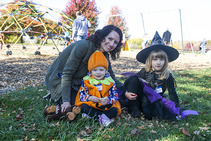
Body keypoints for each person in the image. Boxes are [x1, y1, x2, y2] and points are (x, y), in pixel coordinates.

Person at [45, 25, 123, 114]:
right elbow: (66, 74)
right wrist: (66, 101)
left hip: (80, 83)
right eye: (110, 39)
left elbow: (111, 78)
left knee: (104, 98)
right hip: (60, 81)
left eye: (115, 42)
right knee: (81, 105)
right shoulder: (83, 46)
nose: (112, 44)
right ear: (103, 36)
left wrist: (126, 89)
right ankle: (55, 96)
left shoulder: (104, 55)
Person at [121, 31, 181, 120]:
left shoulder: (167, 76)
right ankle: (134, 109)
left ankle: (147, 111)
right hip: (140, 98)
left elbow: (172, 93)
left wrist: (176, 109)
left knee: (150, 114)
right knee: (133, 78)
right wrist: (126, 92)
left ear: (165, 61)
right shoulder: (144, 72)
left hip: (153, 100)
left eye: (161, 59)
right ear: (150, 61)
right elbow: (132, 83)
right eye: (155, 59)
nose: (158, 62)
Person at [75, 51, 121, 127]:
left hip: (106, 106)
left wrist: (108, 100)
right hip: (92, 105)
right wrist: (89, 97)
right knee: (84, 106)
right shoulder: (87, 81)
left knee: (115, 110)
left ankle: (93, 117)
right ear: (91, 71)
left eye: (101, 70)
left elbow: (115, 96)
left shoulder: (110, 82)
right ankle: (104, 118)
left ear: (106, 71)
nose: (98, 73)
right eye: (95, 70)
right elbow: (81, 95)